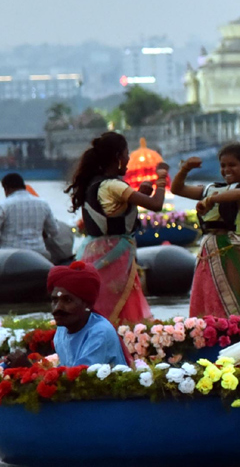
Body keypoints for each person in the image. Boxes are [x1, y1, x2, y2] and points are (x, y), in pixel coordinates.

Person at [66, 132, 167, 325]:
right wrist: (161, 178)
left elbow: (115, 210)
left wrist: (139, 195)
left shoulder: (97, 182)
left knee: (103, 305)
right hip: (113, 255)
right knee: (118, 309)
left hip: (97, 251)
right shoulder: (113, 185)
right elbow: (156, 204)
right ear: (117, 157)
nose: (128, 158)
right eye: (126, 153)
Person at [170, 143, 240, 318]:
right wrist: (185, 169)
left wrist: (211, 200)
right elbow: (177, 189)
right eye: (223, 166)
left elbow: (238, 195)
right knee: (204, 298)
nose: (227, 169)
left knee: (231, 301)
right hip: (207, 251)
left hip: (232, 250)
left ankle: (232, 334)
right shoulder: (212, 189)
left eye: (232, 165)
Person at [48, 261, 128, 366]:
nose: (58, 308)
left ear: (87, 305)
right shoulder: (62, 329)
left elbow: (81, 377)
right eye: (55, 300)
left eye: (67, 300)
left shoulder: (99, 332)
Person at [0, 173, 63, 257]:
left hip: (11, 256)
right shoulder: (43, 204)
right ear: (24, 186)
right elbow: (54, 231)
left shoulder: (3, 205)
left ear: (6, 188)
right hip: (39, 255)